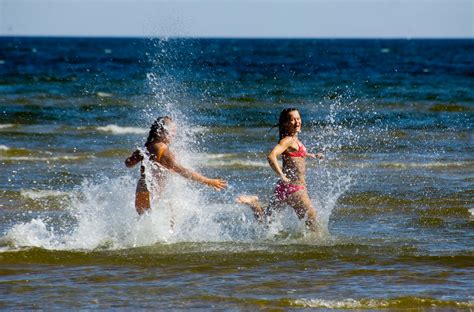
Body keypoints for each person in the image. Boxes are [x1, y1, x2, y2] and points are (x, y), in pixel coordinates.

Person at [237, 108, 323, 231]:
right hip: (295, 189)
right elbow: (271, 156)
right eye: (292, 119)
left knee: (266, 222)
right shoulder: (287, 140)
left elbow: (296, 155)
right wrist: (281, 174)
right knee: (313, 222)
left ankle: (254, 204)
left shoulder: (294, 140)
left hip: (284, 187)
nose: (297, 121)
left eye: (298, 118)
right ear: (286, 124)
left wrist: (312, 155)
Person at [126, 116, 227, 215]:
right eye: (172, 131)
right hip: (153, 194)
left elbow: (128, 163)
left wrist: (137, 154)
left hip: (141, 191)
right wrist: (208, 181)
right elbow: (183, 171)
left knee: (144, 224)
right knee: (168, 225)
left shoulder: (147, 147)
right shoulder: (164, 151)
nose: (174, 134)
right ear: (160, 132)